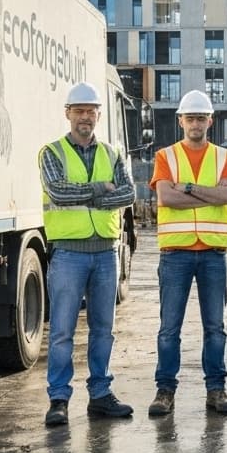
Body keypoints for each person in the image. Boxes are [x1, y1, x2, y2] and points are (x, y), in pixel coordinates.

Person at [40, 81, 137, 427]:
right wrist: (98, 189)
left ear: (98, 114)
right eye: (79, 110)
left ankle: (100, 395)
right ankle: (59, 399)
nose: (85, 117)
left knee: (103, 329)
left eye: (90, 111)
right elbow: (58, 192)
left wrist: (88, 194)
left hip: (106, 253)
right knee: (63, 330)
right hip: (68, 253)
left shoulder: (111, 154)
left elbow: (127, 193)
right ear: (68, 114)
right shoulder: (51, 153)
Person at [148, 89, 227, 417]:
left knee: (215, 327)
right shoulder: (166, 156)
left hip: (214, 254)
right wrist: (210, 194)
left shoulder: (224, 156)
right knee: (169, 328)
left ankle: (216, 390)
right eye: (190, 118)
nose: (196, 124)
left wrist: (187, 187)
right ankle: (165, 391)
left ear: (210, 121)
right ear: (181, 121)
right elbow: (166, 199)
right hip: (175, 253)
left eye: (201, 118)